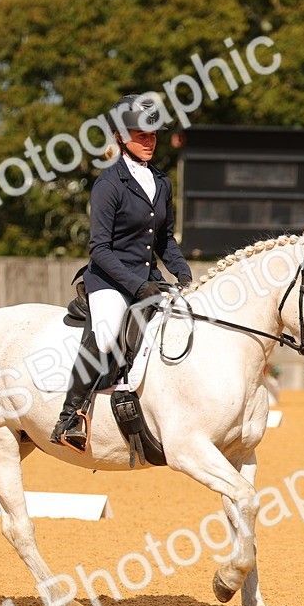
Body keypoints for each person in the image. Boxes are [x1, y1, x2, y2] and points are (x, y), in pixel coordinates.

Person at [50, 94, 193, 452]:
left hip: (147, 278)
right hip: (110, 279)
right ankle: (70, 416)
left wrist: (185, 276)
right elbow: (99, 249)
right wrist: (138, 285)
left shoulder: (161, 182)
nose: (148, 142)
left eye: (153, 135)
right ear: (118, 136)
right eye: (140, 134)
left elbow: (165, 240)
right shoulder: (109, 184)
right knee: (109, 331)